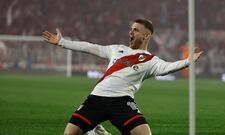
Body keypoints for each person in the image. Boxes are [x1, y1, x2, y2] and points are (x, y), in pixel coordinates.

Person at [42, 18, 202, 135]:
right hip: (96, 98)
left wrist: (188, 61)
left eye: (136, 30)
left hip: (122, 102)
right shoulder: (116, 49)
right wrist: (62, 42)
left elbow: (167, 67)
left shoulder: (151, 60)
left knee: (144, 134)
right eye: (131, 29)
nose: (131, 32)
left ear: (146, 36)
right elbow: (90, 47)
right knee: (70, 133)